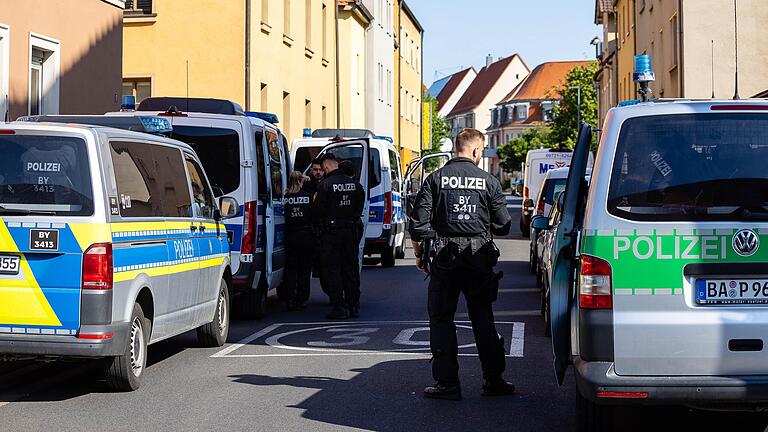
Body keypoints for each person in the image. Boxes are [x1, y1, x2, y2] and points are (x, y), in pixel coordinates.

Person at [409, 128, 514, 401]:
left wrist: (421, 254)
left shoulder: (435, 179)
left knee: (442, 319)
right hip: (479, 259)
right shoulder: (489, 181)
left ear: (456, 147)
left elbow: (418, 226)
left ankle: (447, 384)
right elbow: (504, 225)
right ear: (477, 150)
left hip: (444, 259)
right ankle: (494, 380)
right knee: (482, 318)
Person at [314, 153, 365, 320]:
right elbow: (359, 209)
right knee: (350, 268)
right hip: (350, 231)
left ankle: (339, 306)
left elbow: (318, 211)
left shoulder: (325, 185)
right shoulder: (355, 185)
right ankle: (353, 304)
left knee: (332, 270)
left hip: (331, 233)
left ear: (327, 167)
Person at [281, 171, 316, 310]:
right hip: (306, 236)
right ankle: (301, 299)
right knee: (304, 270)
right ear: (301, 181)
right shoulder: (308, 197)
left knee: (291, 269)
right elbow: (314, 216)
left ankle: (289, 297)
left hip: (290, 236)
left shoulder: (285, 198)